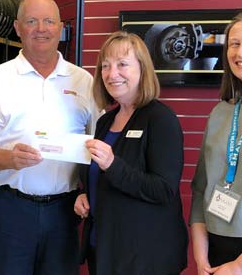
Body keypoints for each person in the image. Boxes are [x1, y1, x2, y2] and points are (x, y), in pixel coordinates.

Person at [0, 0, 99, 275]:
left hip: (65, 211)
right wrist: (8, 158)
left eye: (49, 21)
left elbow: (99, 148)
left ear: (61, 28)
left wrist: (90, 194)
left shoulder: (83, 81)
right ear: (17, 28)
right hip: (12, 209)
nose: (41, 28)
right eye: (32, 21)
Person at [73, 31, 188, 275]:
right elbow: (99, 178)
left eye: (122, 64)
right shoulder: (106, 121)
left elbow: (163, 190)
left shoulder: (160, 119)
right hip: (105, 250)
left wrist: (113, 164)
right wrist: (86, 196)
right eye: (105, 66)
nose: (111, 73)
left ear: (143, 69)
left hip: (143, 257)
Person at [190, 11, 242, 275]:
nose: (241, 52)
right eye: (234, 44)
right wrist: (200, 255)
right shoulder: (220, 112)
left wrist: (241, 267)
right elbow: (200, 188)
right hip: (215, 251)